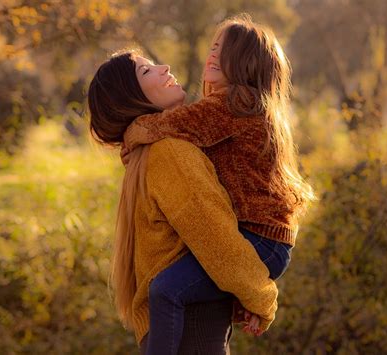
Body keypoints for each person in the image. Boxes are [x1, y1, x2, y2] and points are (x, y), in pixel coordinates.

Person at [120, 14, 314, 354]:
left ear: (245, 62)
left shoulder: (235, 104)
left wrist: (129, 134)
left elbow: (169, 124)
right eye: (212, 46)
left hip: (259, 240)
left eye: (222, 50)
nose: (211, 54)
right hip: (267, 241)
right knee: (184, 286)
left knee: (165, 290)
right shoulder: (245, 106)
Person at [87, 50, 278, 353]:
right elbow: (215, 235)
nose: (165, 68)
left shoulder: (146, 154)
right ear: (129, 96)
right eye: (147, 72)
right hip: (193, 330)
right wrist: (262, 296)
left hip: (175, 328)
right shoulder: (169, 152)